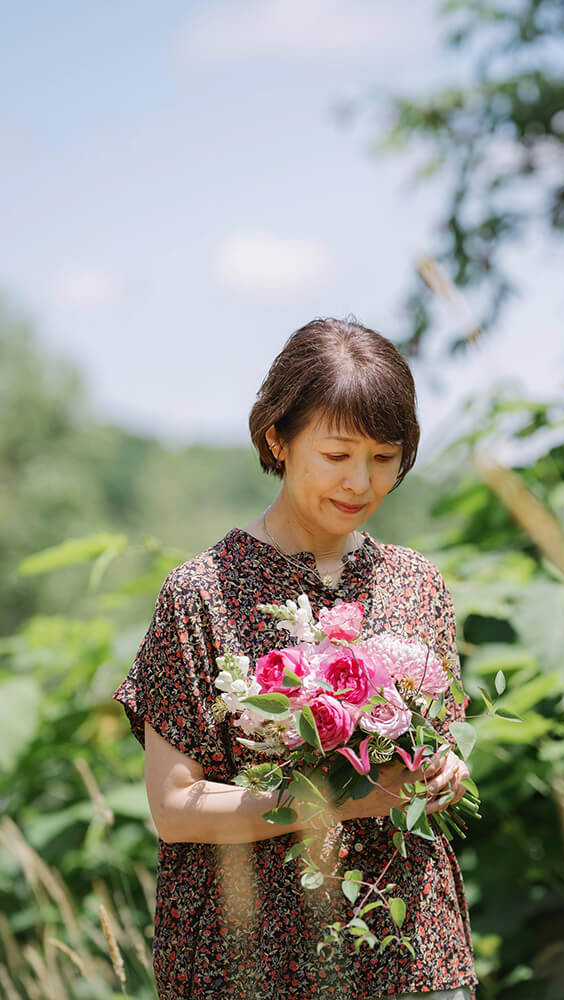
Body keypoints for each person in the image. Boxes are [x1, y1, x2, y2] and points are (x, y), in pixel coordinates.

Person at [113, 316, 479, 1000]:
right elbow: (176, 807)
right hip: (249, 963)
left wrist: (445, 772)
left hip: (410, 955)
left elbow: (439, 748)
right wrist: (346, 799)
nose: (360, 482)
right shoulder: (201, 593)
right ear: (277, 438)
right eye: (337, 455)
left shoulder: (417, 583)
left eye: (384, 457)